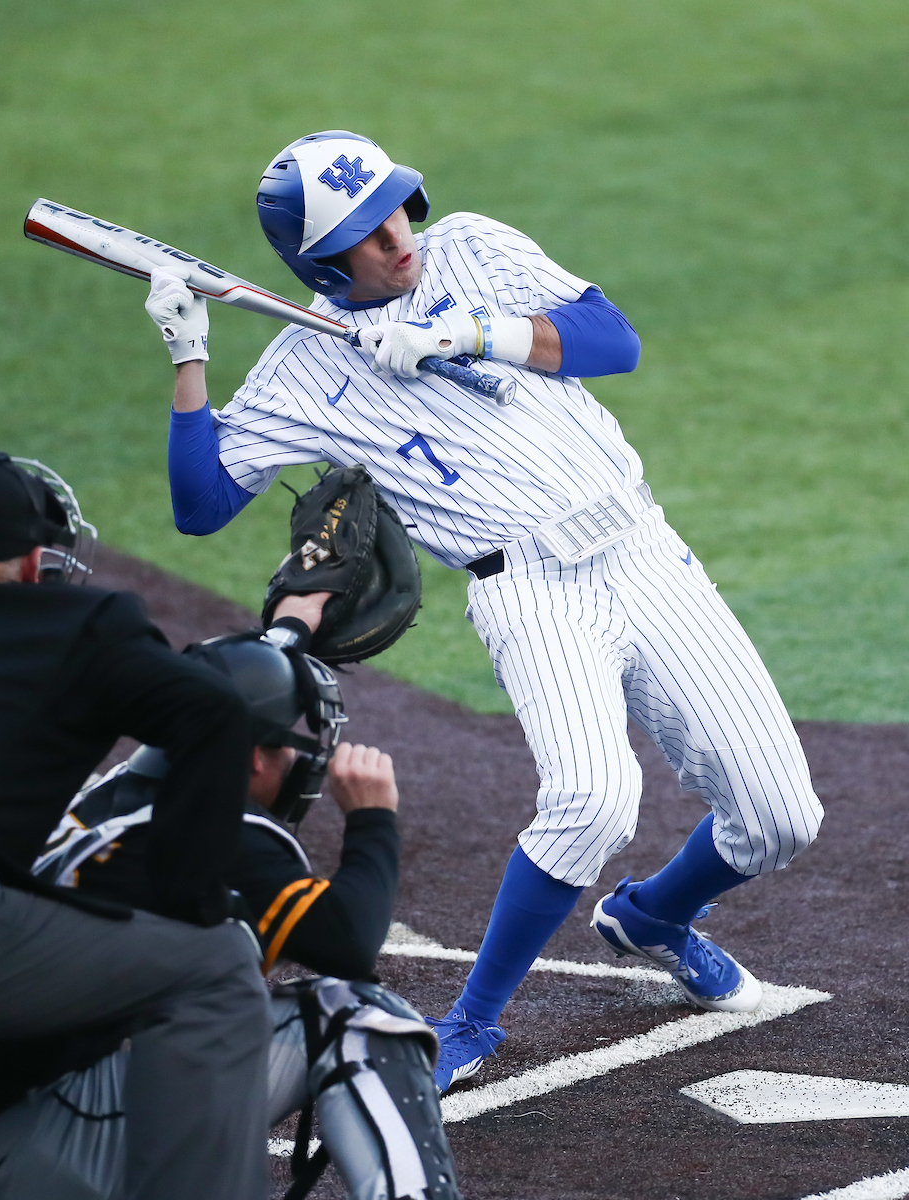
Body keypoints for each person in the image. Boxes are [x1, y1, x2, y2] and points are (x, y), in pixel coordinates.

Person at [143, 130, 825, 1093]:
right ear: (320, 266)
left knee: (781, 817)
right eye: (369, 237)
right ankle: (471, 1022)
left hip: (645, 552)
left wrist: (470, 333)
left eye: (396, 211)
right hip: (532, 593)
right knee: (591, 800)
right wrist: (189, 358)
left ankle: (655, 918)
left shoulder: (470, 247)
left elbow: (612, 339)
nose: (399, 238)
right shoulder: (302, 374)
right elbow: (201, 504)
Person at [0, 617, 462, 1200]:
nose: (302, 761)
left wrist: (292, 625)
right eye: (291, 743)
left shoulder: (103, 796)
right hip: (48, 1143)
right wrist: (373, 819)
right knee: (357, 1015)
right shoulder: (222, 834)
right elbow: (349, 942)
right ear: (252, 757)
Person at [0, 452, 272, 1198]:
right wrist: (189, 899)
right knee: (213, 970)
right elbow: (213, 710)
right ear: (35, 562)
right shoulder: (78, 620)